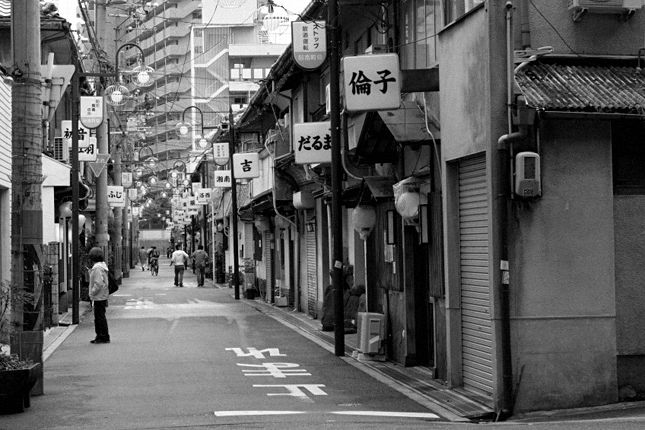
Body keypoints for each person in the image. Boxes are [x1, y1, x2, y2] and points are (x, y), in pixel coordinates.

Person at [88, 247, 110, 344]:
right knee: (101, 316)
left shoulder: (97, 268)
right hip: (102, 295)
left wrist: (92, 292)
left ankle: (102, 336)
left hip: (98, 296)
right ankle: (103, 336)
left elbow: (98, 283)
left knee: (99, 317)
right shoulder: (102, 267)